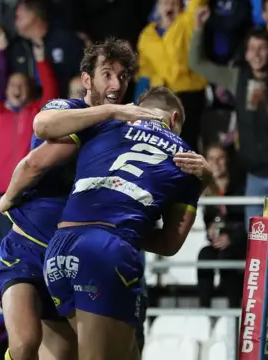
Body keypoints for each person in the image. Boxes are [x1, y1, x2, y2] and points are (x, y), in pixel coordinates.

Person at [0, 38, 166, 360]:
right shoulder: (69, 110)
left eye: (123, 76)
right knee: (24, 344)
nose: (116, 83)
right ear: (87, 80)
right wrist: (8, 198)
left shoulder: (125, 135)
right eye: (107, 74)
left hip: (77, 260)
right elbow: (39, 137)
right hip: (30, 247)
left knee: (69, 355)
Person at [35, 86, 209, 360]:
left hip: (58, 248)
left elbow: (41, 133)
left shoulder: (102, 125)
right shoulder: (188, 161)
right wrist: (202, 183)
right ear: (174, 119)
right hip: (106, 250)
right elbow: (169, 243)